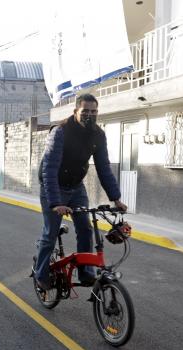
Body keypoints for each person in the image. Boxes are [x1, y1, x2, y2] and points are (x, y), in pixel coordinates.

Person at [34, 93, 127, 291]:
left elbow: (103, 168)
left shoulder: (98, 135)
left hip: (76, 186)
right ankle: (41, 274)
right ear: (76, 111)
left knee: (85, 228)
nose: (90, 115)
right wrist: (55, 203)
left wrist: (116, 198)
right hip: (53, 185)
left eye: (94, 112)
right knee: (50, 233)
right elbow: (49, 169)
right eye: (85, 111)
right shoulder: (61, 131)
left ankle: (86, 272)